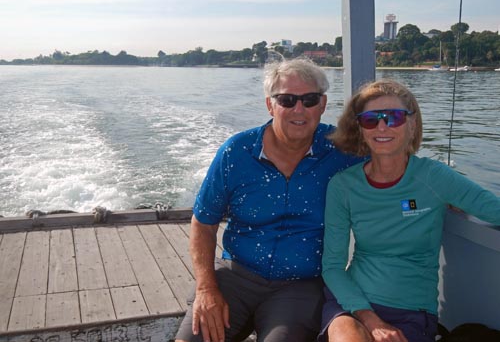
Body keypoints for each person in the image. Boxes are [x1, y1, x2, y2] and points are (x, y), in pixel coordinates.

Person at [175, 58, 364, 342]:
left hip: (300, 287)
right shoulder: (236, 152)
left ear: (323, 105)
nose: (298, 109)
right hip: (236, 277)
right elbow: (203, 223)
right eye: (287, 100)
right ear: (270, 105)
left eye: (309, 100)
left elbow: (392, 163)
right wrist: (206, 288)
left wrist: (436, 191)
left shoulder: (342, 150)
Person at [319, 79, 500, 342]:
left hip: (412, 311)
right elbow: (333, 267)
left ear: (412, 124)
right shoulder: (343, 185)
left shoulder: (435, 178)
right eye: (371, 119)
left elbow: (493, 209)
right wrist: (371, 319)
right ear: (360, 127)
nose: (382, 126)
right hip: (352, 305)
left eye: (394, 117)